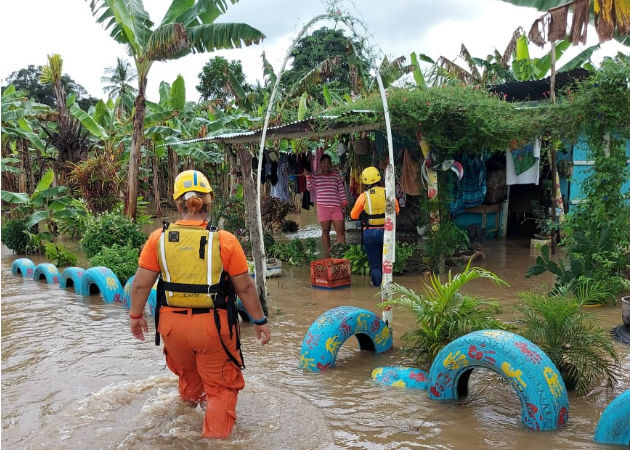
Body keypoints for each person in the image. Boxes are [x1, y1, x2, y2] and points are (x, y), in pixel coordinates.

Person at [129, 169, 270, 439]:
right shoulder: (225, 241)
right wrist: (260, 321)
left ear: (177, 202)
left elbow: (140, 285)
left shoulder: (158, 238)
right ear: (209, 201)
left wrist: (136, 317)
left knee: (191, 381)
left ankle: (184, 430)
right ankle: (214, 442)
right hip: (213, 328)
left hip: (171, 329)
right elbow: (245, 287)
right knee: (220, 389)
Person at [350, 167, 400, 287]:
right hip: (386, 232)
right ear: (379, 178)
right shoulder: (389, 193)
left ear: (366, 182)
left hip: (370, 233)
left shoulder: (364, 196)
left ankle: (377, 287)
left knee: (374, 264)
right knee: (387, 261)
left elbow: (353, 215)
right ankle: (387, 285)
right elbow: (396, 211)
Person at [304, 153, 347, 255]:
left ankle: (341, 253)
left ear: (331, 164)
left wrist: (344, 201)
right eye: (324, 163)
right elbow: (309, 188)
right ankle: (328, 254)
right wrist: (308, 177)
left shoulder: (336, 174)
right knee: (325, 230)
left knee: (341, 231)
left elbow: (341, 189)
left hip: (336, 207)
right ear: (320, 164)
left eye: (328, 163)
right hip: (323, 208)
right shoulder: (315, 176)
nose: (327, 165)